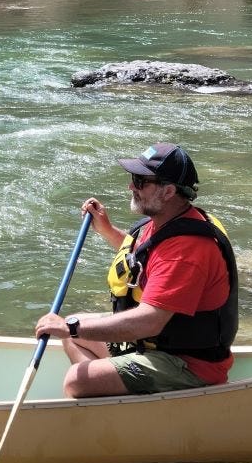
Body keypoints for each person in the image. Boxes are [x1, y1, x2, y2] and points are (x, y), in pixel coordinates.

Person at [35, 142, 238, 398]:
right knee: (75, 331)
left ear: (168, 191)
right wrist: (107, 230)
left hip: (186, 363)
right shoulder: (170, 221)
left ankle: (116, 397)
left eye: (140, 181)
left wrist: (72, 327)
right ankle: (118, 396)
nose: (131, 187)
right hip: (156, 345)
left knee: (76, 378)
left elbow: (150, 321)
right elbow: (147, 258)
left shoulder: (187, 250)